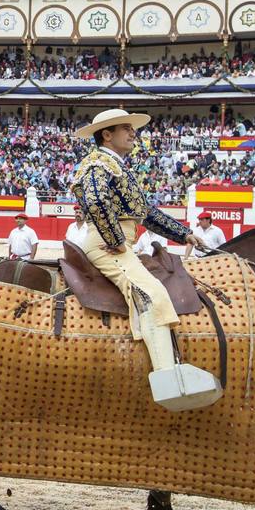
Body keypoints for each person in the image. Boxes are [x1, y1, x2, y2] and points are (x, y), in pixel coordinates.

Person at [72, 108, 213, 402]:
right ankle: (169, 381)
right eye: (126, 128)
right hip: (105, 245)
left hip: (115, 241)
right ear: (107, 135)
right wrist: (116, 239)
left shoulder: (116, 166)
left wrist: (183, 233)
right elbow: (96, 201)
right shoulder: (98, 163)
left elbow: (145, 213)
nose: (133, 132)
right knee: (151, 293)